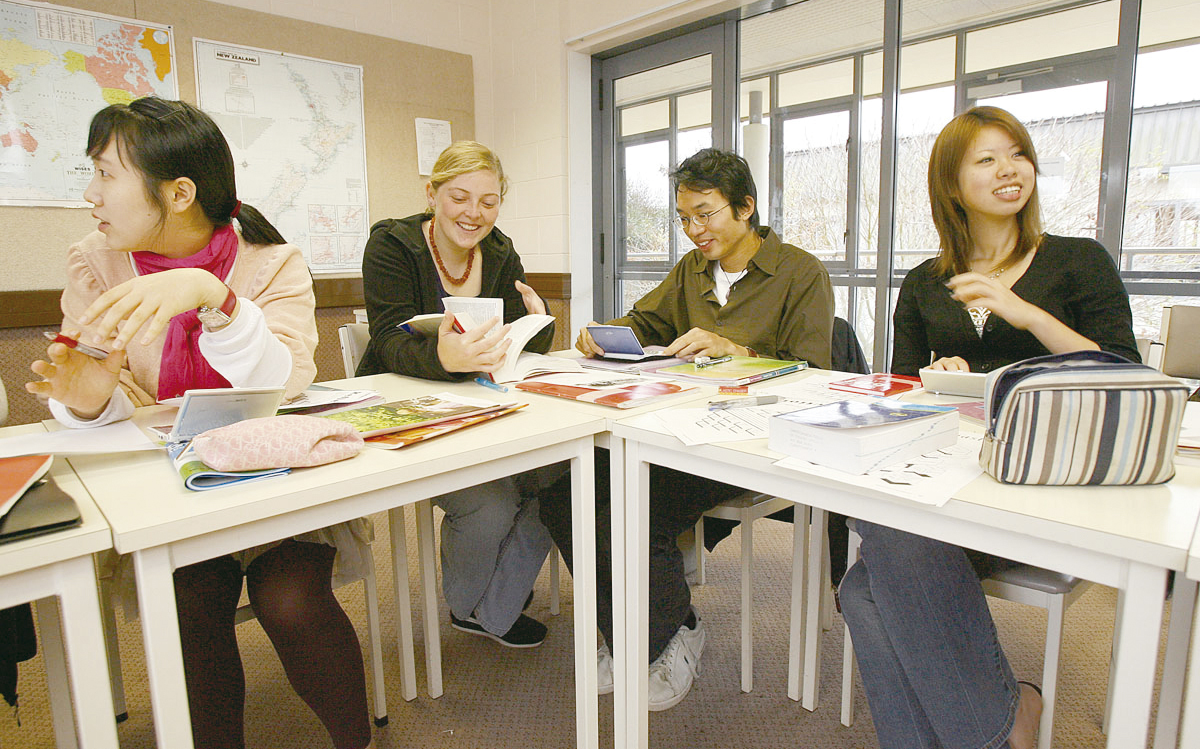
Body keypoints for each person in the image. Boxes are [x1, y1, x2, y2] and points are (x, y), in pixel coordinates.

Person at [26, 98, 376, 749]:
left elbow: (285, 378)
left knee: (290, 597)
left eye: (106, 175)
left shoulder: (270, 261)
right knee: (187, 603)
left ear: (179, 191)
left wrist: (215, 299)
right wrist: (92, 399)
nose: (90, 193)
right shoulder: (95, 263)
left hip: (269, 468)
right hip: (169, 484)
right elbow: (114, 398)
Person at [839, 106, 1139, 749]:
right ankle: (1009, 723)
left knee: (868, 581)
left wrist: (1023, 313)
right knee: (871, 573)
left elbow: (1124, 374)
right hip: (953, 472)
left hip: (1048, 481)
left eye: (1019, 153)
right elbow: (900, 388)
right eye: (987, 158)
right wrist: (932, 375)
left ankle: (1004, 725)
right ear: (952, 185)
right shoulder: (924, 282)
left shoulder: (1079, 261)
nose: (1010, 169)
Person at [539, 147, 833, 710]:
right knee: (566, 491)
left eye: (706, 214)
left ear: (745, 207)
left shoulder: (800, 273)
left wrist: (737, 351)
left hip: (744, 442)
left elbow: (813, 375)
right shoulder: (691, 271)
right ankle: (646, 632)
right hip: (670, 428)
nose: (694, 230)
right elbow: (643, 320)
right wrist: (605, 332)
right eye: (684, 219)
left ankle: (662, 636)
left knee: (634, 507)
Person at [356, 140, 555, 648]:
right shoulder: (393, 246)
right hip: (407, 414)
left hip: (487, 408)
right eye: (459, 197)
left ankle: (492, 605)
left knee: (568, 475)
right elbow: (387, 341)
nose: (474, 213)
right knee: (491, 502)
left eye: (488, 202)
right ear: (432, 194)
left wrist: (537, 321)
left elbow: (517, 343)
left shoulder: (501, 251)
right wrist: (444, 359)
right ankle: (470, 607)